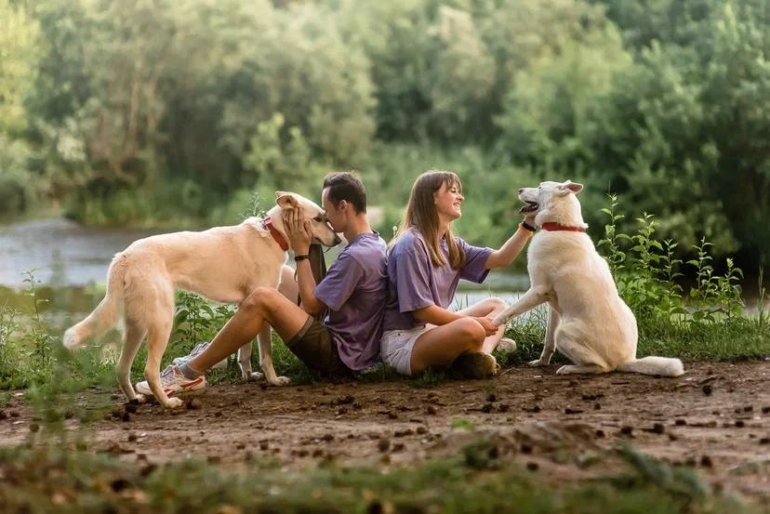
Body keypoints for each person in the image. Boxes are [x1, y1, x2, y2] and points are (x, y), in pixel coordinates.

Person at [136, 172, 388, 395]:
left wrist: (301, 250)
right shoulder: (371, 242)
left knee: (260, 297)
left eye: (327, 213)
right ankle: (241, 357)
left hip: (337, 355)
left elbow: (312, 306)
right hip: (346, 342)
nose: (328, 221)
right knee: (279, 275)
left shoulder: (356, 256)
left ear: (343, 206)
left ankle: (191, 371)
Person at [381, 170, 536, 379]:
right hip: (405, 343)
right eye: (453, 191)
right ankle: (476, 348)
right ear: (432, 198)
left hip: (432, 330)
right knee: (471, 328)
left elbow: (502, 259)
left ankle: (480, 356)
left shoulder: (450, 244)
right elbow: (421, 311)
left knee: (497, 306)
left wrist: (528, 225)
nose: (460, 197)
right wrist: (475, 324)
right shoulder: (411, 245)